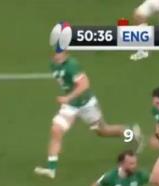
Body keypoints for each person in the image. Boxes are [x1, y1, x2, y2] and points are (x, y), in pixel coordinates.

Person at [35, 50, 140, 179]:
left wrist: (68, 97)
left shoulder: (72, 65)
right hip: (70, 106)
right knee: (56, 130)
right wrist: (69, 100)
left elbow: (84, 84)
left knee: (103, 131)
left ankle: (131, 133)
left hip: (87, 104)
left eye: (61, 51)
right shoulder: (53, 64)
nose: (58, 54)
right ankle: (51, 169)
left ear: (66, 53)